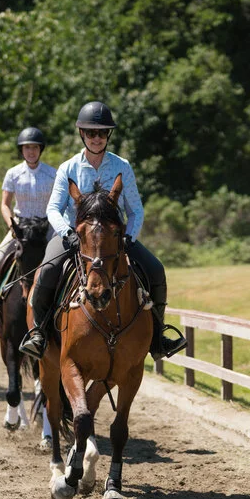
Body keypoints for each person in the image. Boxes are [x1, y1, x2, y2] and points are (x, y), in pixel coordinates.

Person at [18, 100, 186, 362]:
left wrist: (129, 236)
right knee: (47, 271)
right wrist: (67, 233)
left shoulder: (123, 166)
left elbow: (136, 210)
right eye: (91, 133)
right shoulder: (68, 168)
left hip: (114, 240)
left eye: (102, 133)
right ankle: (38, 334)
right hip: (76, 238)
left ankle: (158, 337)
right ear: (82, 134)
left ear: (108, 134)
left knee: (155, 269)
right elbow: (53, 209)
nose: (97, 138)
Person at [0, 127, 57, 325]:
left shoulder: (52, 174)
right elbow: (5, 204)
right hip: (20, 228)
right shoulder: (13, 174)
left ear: (41, 149)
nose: (31, 151)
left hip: (45, 227)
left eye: (34, 147)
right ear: (21, 150)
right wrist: (11, 224)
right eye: (27, 148)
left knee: (61, 260)